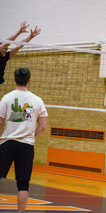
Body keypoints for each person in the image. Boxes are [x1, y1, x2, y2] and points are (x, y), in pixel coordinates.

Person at [0, 67, 47, 213]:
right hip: (26, 146)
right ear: (29, 80)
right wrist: (30, 136)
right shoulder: (37, 100)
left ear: (14, 80)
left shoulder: (7, 98)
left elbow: (0, 122)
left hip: (7, 143)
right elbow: (43, 127)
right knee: (23, 184)